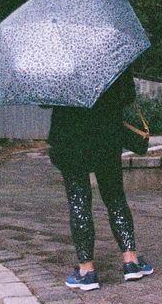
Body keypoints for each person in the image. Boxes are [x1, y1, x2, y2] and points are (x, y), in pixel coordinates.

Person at [47, 69, 153, 290]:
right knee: (114, 196)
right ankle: (131, 261)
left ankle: (87, 271)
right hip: (106, 136)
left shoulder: (58, 62)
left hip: (70, 138)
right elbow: (128, 95)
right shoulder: (111, 56)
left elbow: (45, 100)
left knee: (79, 200)